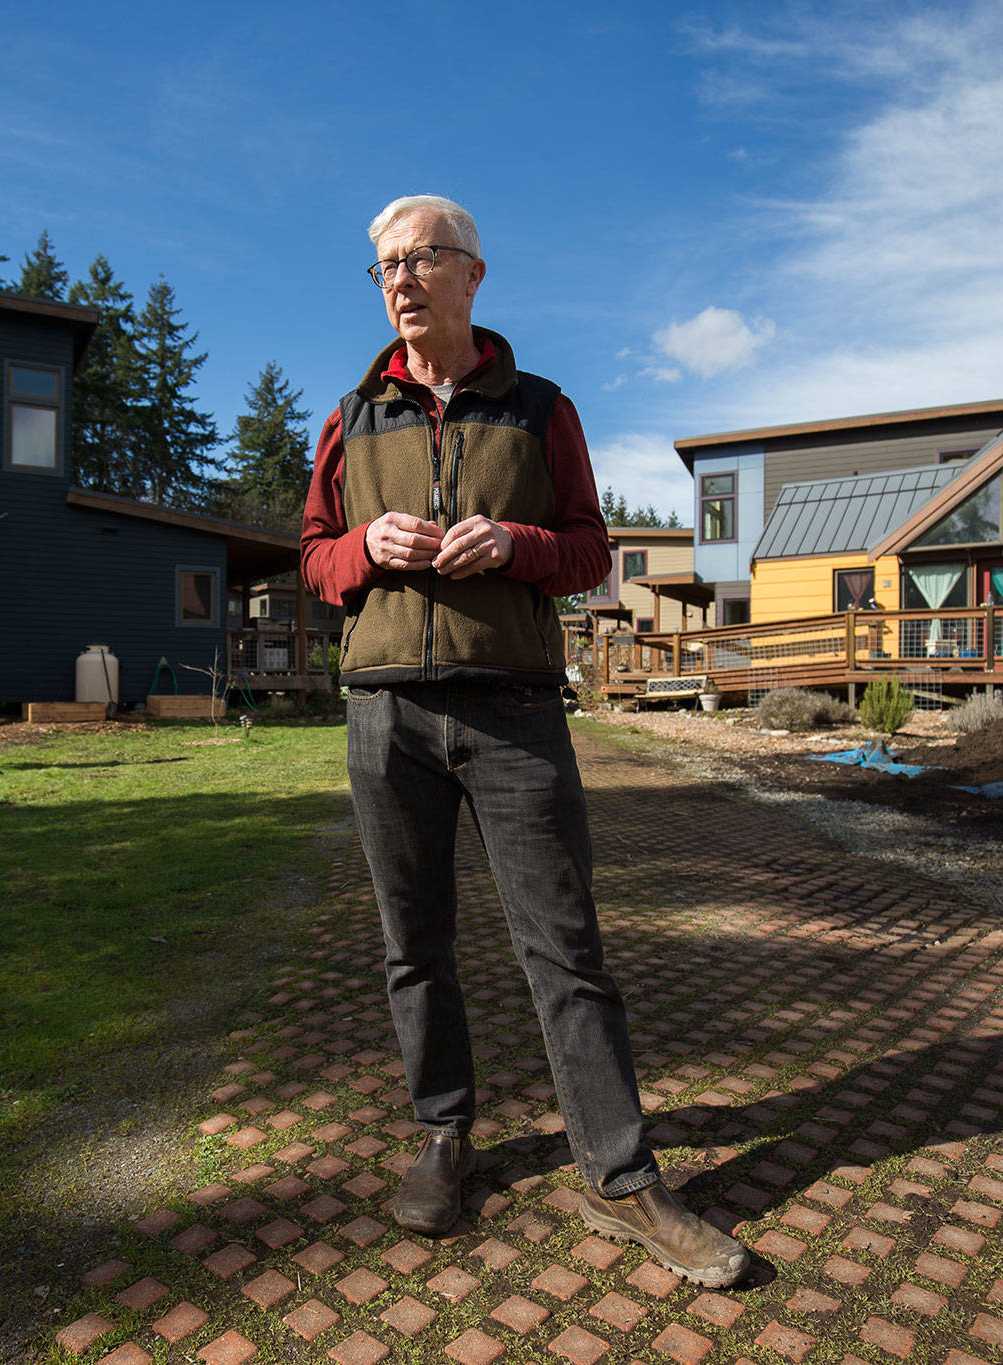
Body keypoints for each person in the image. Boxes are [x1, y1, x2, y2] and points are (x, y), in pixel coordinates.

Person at [299, 195, 750, 1289]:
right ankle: (444, 1135)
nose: (400, 280)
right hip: (384, 715)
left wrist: (512, 542)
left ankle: (620, 1173)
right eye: (382, 267)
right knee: (415, 946)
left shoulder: (541, 408)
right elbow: (312, 560)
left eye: (420, 260)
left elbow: (591, 551)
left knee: (564, 947)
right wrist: (363, 544)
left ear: (472, 274)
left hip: (511, 713)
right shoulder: (349, 418)